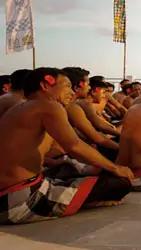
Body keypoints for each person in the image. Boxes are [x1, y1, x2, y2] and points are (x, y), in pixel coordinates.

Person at [0, 68, 133, 225]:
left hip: (7, 196)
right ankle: (80, 202)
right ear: (45, 85)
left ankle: (77, 198)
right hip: (21, 200)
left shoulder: (16, 109)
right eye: (67, 86)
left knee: (74, 172)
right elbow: (75, 146)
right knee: (119, 183)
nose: (71, 92)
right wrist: (116, 168)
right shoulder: (50, 106)